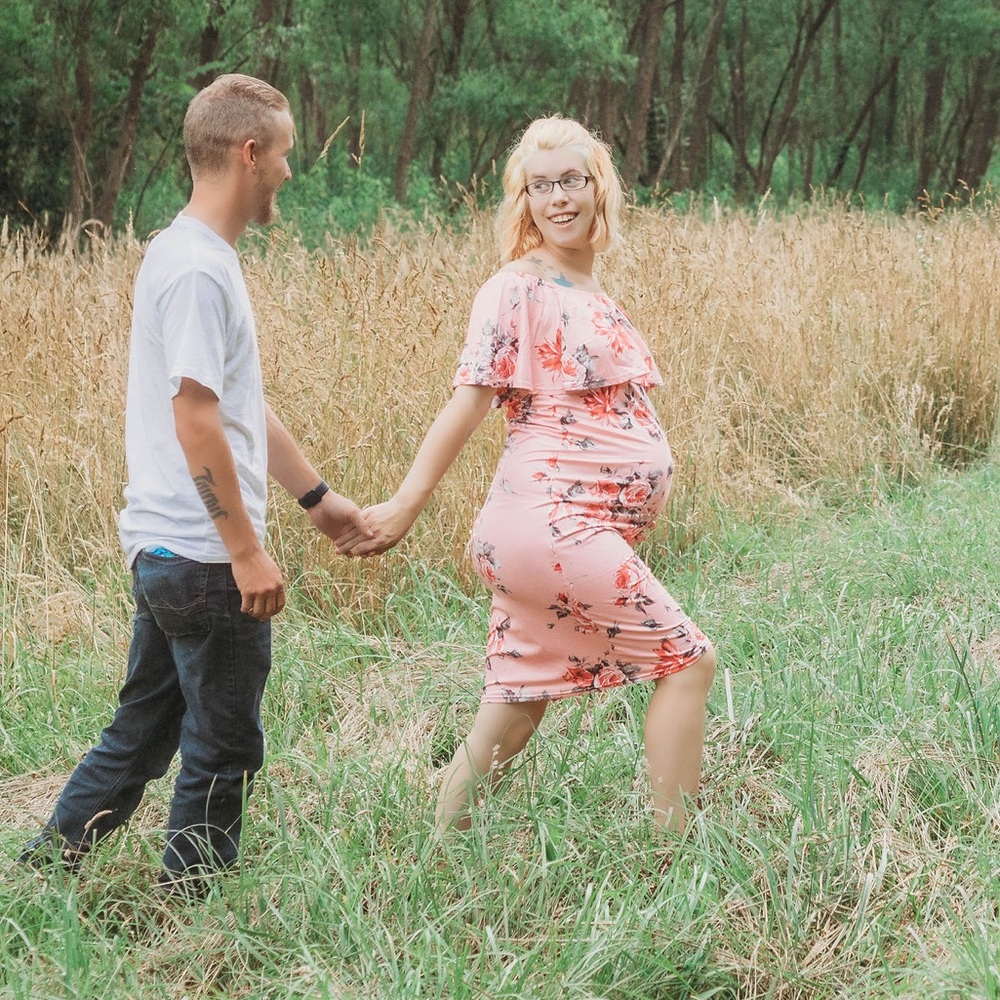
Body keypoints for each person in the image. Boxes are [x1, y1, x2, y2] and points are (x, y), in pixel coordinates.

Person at [18, 73, 370, 896]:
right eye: (284, 156)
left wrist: (318, 502)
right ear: (249, 154)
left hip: (168, 548)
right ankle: (192, 912)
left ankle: (44, 872)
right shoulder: (200, 272)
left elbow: (237, 406)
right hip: (206, 561)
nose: (289, 172)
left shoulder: (183, 253)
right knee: (224, 747)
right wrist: (245, 550)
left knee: (144, 730)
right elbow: (197, 420)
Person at [336, 116, 717, 835]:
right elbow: (470, 400)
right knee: (688, 661)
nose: (558, 198)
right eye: (540, 187)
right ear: (524, 201)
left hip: (568, 529)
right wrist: (405, 504)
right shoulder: (516, 287)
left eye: (571, 180)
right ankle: (678, 857)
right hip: (551, 526)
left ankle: (436, 848)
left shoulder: (587, 286)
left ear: (599, 185)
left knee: (518, 697)